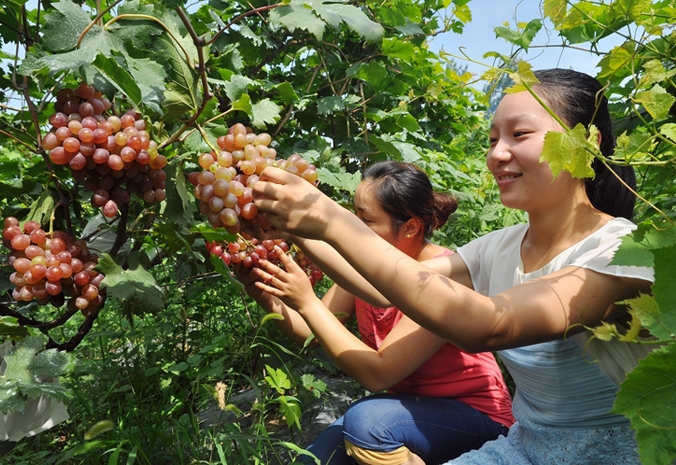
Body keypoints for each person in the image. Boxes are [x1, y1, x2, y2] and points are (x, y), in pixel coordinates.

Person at [250, 68, 655, 465]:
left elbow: (493, 324)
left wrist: (330, 220)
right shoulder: (501, 246)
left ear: (586, 143)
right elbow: (381, 288)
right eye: (493, 138)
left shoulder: (622, 251)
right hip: (526, 448)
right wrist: (298, 229)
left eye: (519, 134)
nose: (497, 153)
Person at [238, 161, 514, 464]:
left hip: (475, 416)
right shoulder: (362, 269)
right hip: (405, 411)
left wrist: (308, 301)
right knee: (314, 460)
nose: (353, 227)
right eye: (353, 214)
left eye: (364, 220)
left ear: (409, 226)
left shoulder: (441, 279)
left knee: (367, 423)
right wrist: (263, 293)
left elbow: (379, 373)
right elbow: (309, 333)